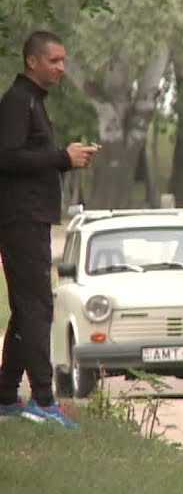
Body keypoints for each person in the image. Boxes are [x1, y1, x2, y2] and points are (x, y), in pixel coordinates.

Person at [0, 31, 97, 427]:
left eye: (63, 61)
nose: (61, 68)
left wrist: (65, 159)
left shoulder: (33, 102)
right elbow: (7, 157)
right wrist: (61, 157)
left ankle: (6, 396)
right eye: (54, 60)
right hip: (19, 218)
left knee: (28, 307)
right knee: (37, 306)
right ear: (32, 61)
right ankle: (43, 398)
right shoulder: (18, 102)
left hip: (32, 218)